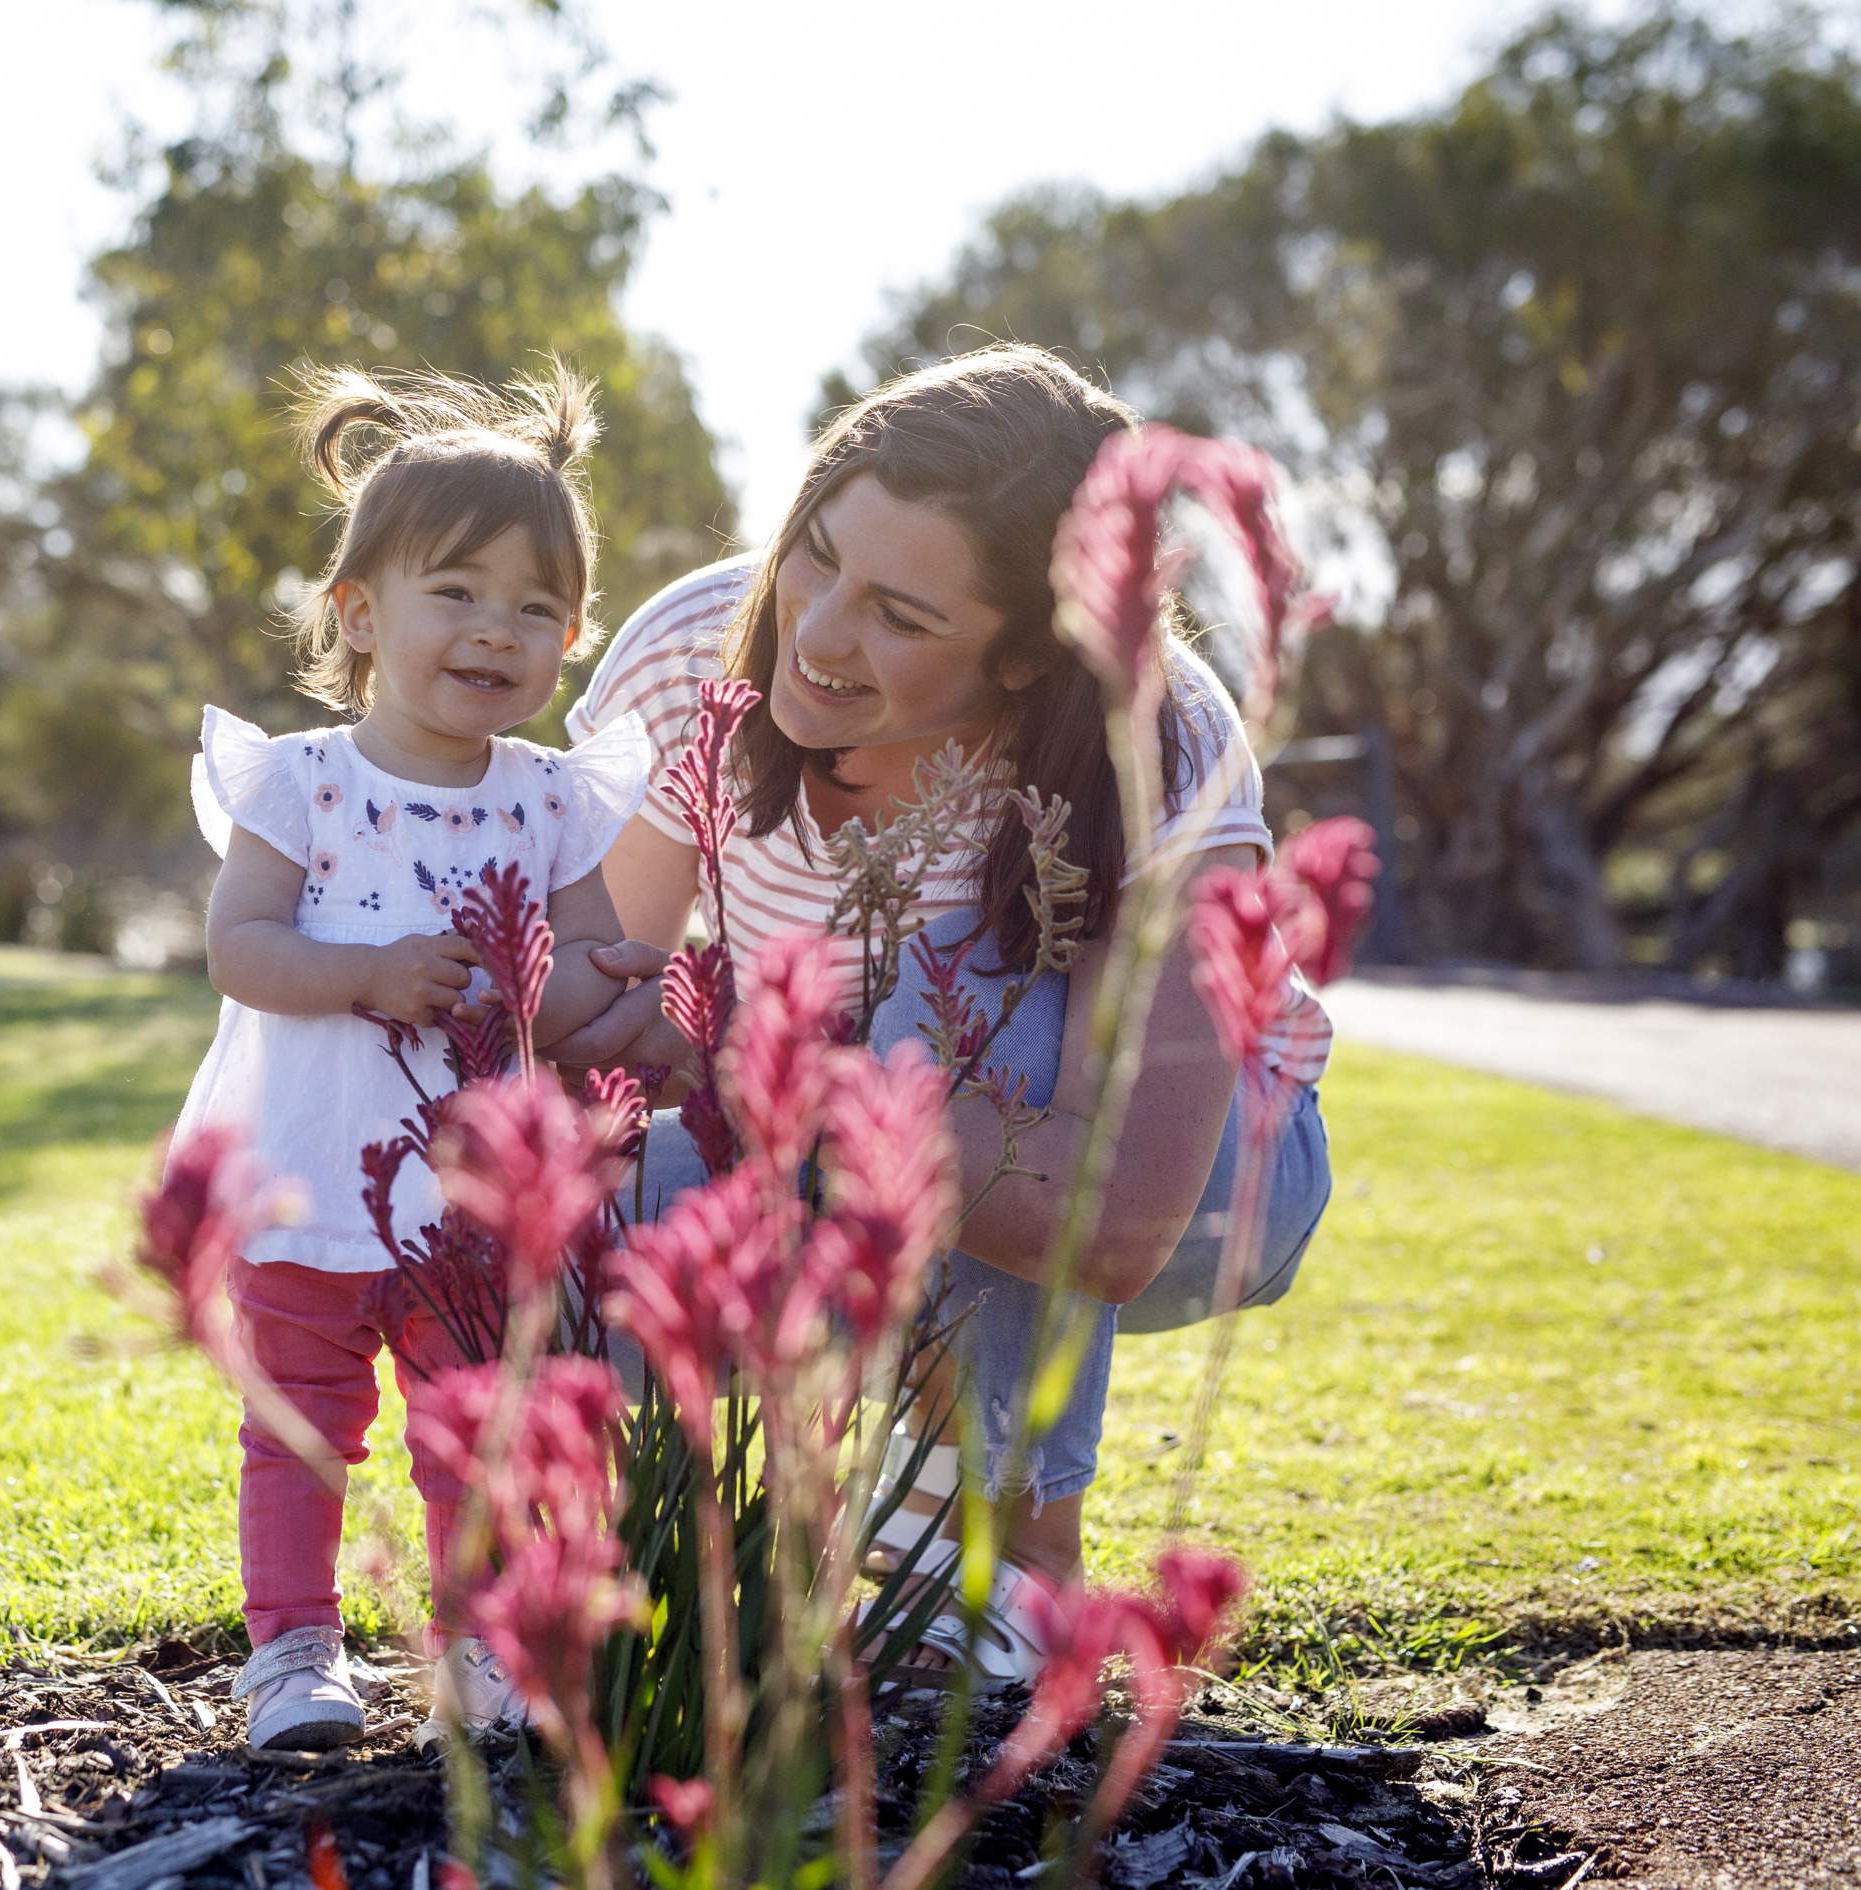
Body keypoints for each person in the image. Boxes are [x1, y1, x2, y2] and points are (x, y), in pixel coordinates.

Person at [552, 344, 1336, 1678]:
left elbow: (1128, 1220)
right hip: (813, 1144)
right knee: (549, 1238)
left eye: (902, 616)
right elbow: (582, 1015)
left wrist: (792, 1062)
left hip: (1198, 1183)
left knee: (956, 989)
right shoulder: (698, 651)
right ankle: (686, 1575)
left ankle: (1001, 1567)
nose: (817, 629)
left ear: (1032, 655)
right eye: (816, 554)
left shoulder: (1163, 737)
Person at [182, 364, 656, 1749]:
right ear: (361, 612)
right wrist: (370, 974)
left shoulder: (553, 800)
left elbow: (571, 980)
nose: (496, 629)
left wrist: (619, 996)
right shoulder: (303, 782)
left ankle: (480, 1648)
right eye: (457, 591)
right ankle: (294, 1651)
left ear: (569, 635)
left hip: (473, 1202)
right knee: (303, 1426)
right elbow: (242, 945)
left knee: (475, 1428)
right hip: (308, 1179)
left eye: (534, 606)